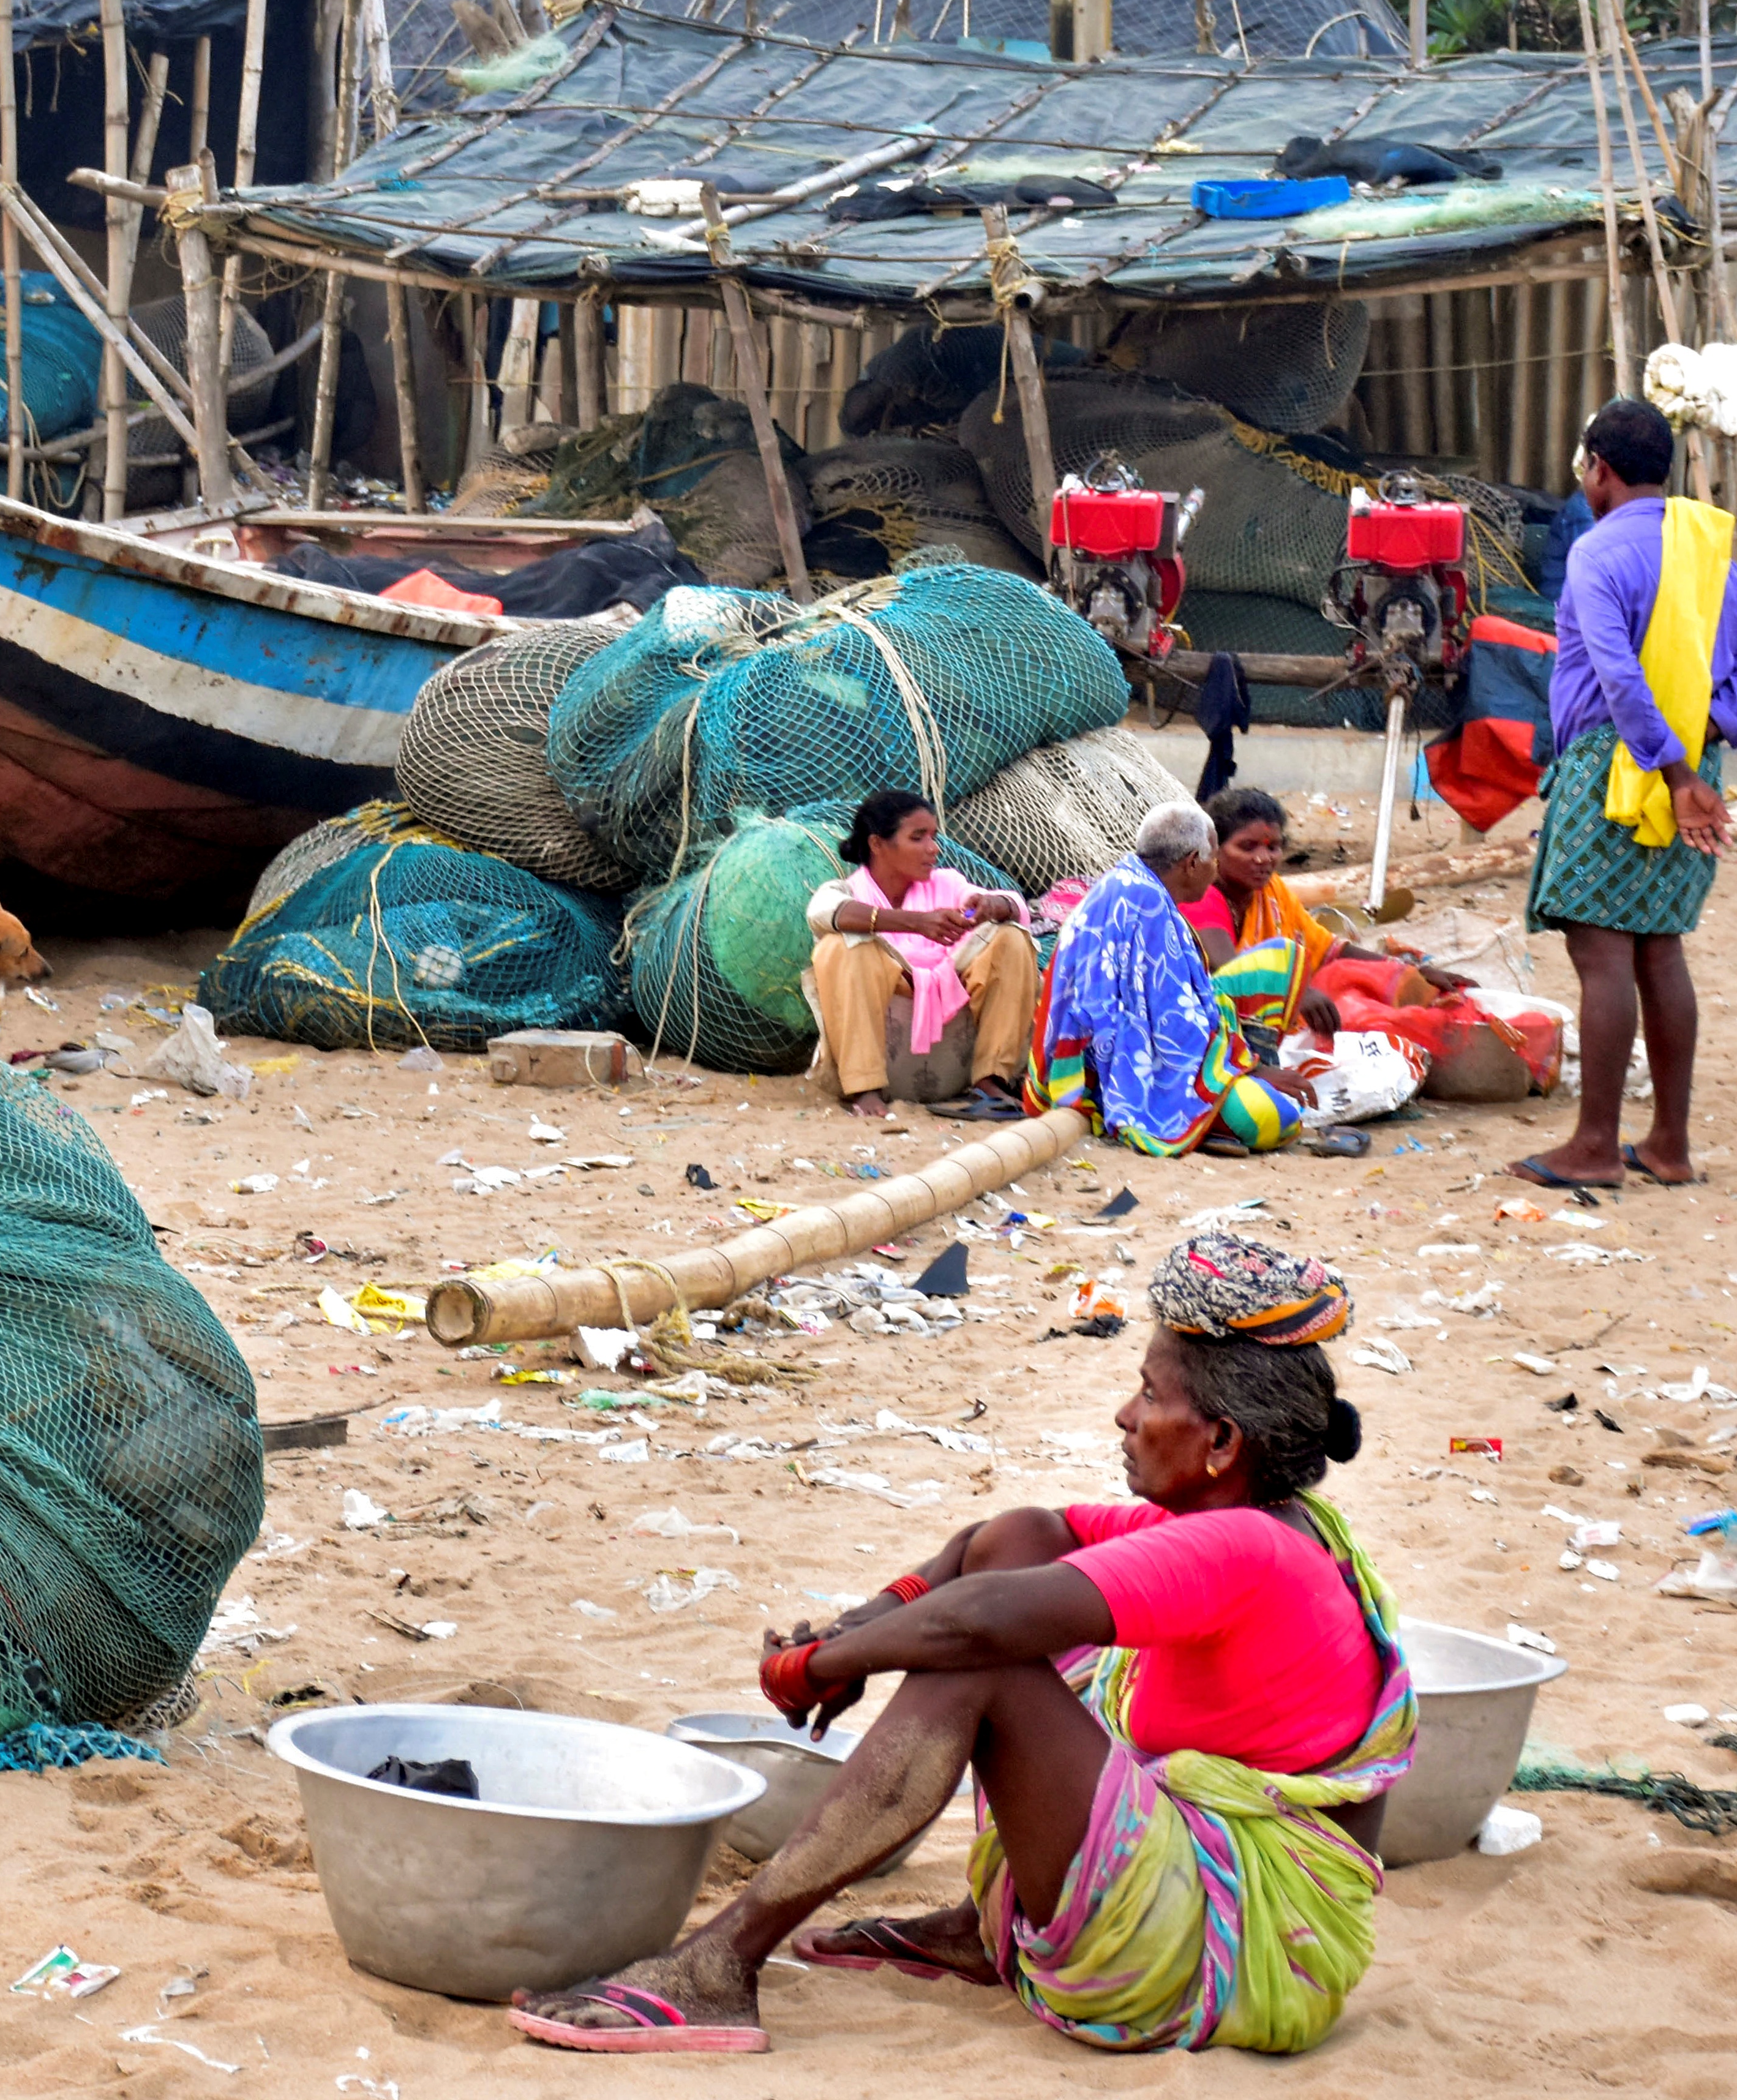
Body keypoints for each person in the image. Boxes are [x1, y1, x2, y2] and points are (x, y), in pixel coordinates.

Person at [506, 1232, 1415, 2059]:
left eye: (1149, 1394)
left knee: (986, 1661)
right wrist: (868, 1618)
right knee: (1017, 1571)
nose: (1124, 1418)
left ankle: (719, 1965)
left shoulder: (1243, 1548)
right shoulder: (1257, 1520)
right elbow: (1008, 1536)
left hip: (1232, 1947)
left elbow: (975, 1625)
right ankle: (990, 1930)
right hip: (1199, 1882)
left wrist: (817, 1667)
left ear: (1220, 1440)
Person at [1518, 397, 1737, 1190]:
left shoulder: (1598, 554)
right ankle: (1669, 1143)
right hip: (1686, 764)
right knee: (1660, 946)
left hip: (1618, 766)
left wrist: (1672, 769)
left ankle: (1595, 1144)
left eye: (1586, 468)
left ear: (1600, 468)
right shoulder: (1713, 556)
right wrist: (1703, 736)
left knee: (1600, 952)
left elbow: (1617, 669)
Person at [1032, 801, 1325, 1155]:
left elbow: (1175, 1004)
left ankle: (1229, 1094)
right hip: (1109, 1072)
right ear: (1191, 863)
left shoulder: (1131, 881)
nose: (1215, 871)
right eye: (1213, 859)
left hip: (1128, 1043)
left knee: (1283, 961)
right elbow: (1174, 1032)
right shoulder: (1149, 904)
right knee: (1273, 1117)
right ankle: (1215, 1117)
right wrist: (1252, 1069)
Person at [805, 790, 1038, 1123]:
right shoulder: (848, 892)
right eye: (918, 838)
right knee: (840, 947)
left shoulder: (947, 883)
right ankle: (864, 1088)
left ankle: (990, 1080)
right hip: (886, 1057)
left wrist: (992, 906)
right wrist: (918, 924)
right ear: (877, 844)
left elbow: (1010, 904)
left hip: (953, 1059)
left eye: (933, 837)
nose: (934, 849)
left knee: (1012, 938)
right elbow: (823, 911)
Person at [1184, 786, 1460, 1040]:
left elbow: (1331, 950)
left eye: (1273, 847)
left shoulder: (1272, 892)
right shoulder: (1202, 895)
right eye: (1247, 847)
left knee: (1351, 977)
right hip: (1215, 1025)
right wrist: (1295, 993)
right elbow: (1230, 971)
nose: (1263, 859)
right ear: (1215, 849)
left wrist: (1410, 970)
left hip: (1268, 1012)